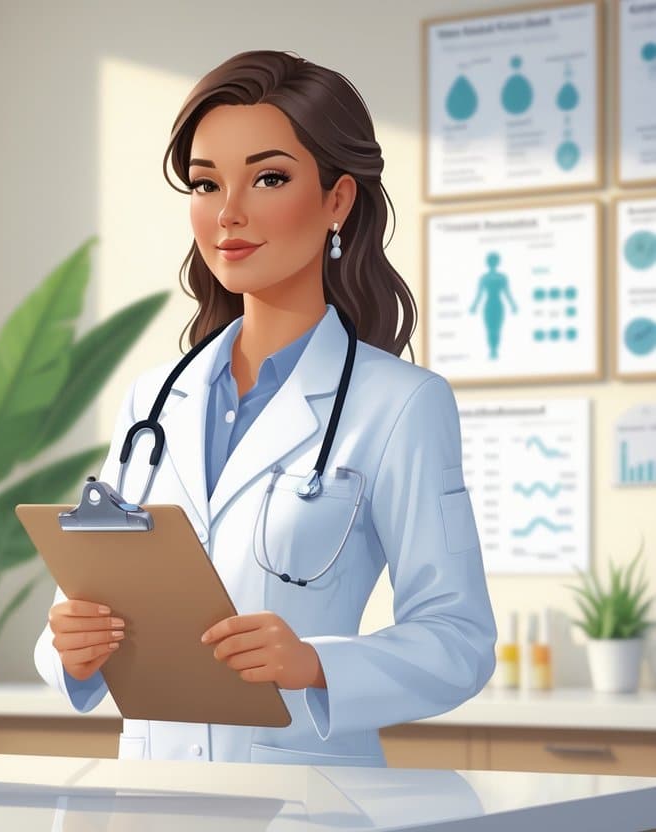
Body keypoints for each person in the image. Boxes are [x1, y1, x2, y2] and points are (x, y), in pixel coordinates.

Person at [32, 50, 497, 767]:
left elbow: (458, 639)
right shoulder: (153, 400)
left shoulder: (400, 405)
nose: (228, 214)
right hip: (150, 797)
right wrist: (69, 642)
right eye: (205, 183)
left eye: (268, 178)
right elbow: (82, 600)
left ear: (337, 199)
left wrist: (315, 665)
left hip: (307, 795)